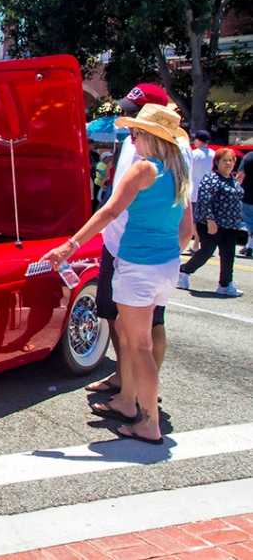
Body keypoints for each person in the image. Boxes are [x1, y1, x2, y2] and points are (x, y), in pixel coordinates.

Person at [42, 104, 192, 445]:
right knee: (130, 333)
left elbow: (109, 210)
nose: (132, 139)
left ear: (151, 137)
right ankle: (127, 401)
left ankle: (149, 421)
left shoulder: (144, 169)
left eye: (136, 134)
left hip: (137, 265)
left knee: (137, 344)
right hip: (165, 265)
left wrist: (70, 246)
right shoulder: (178, 169)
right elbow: (187, 230)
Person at [83, 83, 178, 398]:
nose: (128, 118)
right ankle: (126, 380)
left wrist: (72, 243)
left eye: (135, 114)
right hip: (121, 246)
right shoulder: (132, 145)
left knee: (145, 329)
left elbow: (111, 209)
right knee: (114, 316)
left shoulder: (172, 153)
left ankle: (141, 391)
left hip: (138, 252)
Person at [178, 148, 244, 296]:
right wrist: (210, 220)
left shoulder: (233, 180)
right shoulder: (211, 178)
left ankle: (225, 285)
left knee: (228, 255)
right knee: (206, 252)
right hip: (211, 224)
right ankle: (184, 271)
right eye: (224, 160)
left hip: (231, 225)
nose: (228, 163)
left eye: (231, 160)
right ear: (217, 162)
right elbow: (205, 200)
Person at [184, 130, 216, 254]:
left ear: (198, 140)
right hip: (210, 192)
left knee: (193, 220)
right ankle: (199, 244)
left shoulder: (193, 154)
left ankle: (197, 243)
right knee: (205, 220)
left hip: (193, 192)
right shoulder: (214, 155)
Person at [237, 149, 253, 256]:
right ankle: (249, 246)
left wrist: (234, 190)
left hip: (248, 197)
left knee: (250, 224)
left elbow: (240, 175)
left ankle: (249, 247)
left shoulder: (249, 157)